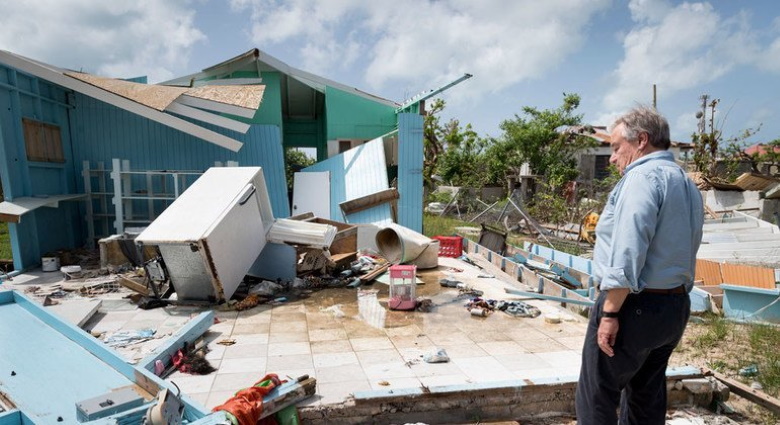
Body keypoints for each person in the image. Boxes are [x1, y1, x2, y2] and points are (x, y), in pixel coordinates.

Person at [575, 106, 704, 425]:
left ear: (642, 140)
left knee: (597, 395)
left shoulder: (642, 178)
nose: (613, 158)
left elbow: (629, 248)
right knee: (646, 398)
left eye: (616, 147)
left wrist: (610, 313)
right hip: (674, 307)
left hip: (633, 306)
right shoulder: (685, 183)